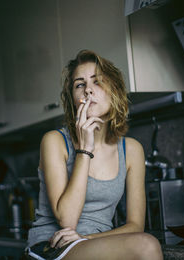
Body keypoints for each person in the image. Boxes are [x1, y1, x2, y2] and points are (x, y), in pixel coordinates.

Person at [25, 50, 163, 260]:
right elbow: (67, 221)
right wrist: (84, 150)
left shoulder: (132, 150)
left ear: (114, 91)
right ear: (73, 99)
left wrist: (86, 238)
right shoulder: (54, 141)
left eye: (97, 81)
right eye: (79, 84)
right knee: (146, 246)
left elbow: (136, 225)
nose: (88, 90)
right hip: (51, 246)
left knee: (144, 242)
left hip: (96, 244)